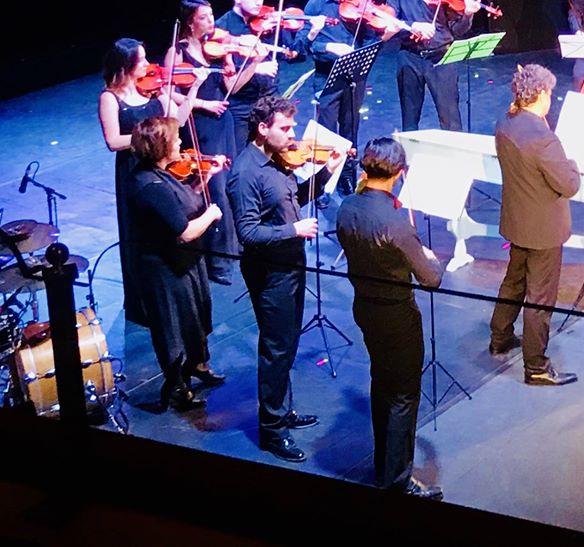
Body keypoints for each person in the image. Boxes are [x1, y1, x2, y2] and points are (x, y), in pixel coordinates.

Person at [227, 95, 344, 462]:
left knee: (288, 344)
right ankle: (272, 430)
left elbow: (293, 199)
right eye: (286, 127)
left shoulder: (278, 161)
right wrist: (293, 230)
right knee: (276, 348)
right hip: (270, 272)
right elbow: (247, 232)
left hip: (290, 265)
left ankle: (283, 410)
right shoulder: (245, 173)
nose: (293, 135)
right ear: (263, 129)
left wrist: (327, 172)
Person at [336, 137, 444, 499]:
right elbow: (431, 279)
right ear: (399, 174)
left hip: (365, 307)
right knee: (402, 396)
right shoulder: (396, 223)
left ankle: (384, 464)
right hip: (396, 315)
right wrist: (430, 258)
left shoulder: (347, 207)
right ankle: (396, 480)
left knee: (381, 384)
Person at [98, 37, 205, 326]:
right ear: (126, 66)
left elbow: (177, 121)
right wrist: (150, 138)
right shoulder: (110, 98)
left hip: (162, 165)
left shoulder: (155, 87)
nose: (149, 64)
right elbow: (113, 141)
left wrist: (193, 88)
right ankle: (143, 303)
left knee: (170, 222)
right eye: (142, 60)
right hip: (134, 168)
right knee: (139, 231)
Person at [489, 64, 579, 386]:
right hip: (543, 230)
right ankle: (536, 367)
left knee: (514, 282)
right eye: (550, 93)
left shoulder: (506, 123)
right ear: (540, 94)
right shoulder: (543, 138)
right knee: (540, 299)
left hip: (518, 221)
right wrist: (572, 164)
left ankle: (500, 337)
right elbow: (569, 185)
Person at [128, 117, 226, 411]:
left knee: (195, 316)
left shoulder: (161, 175)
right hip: (166, 269)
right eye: (176, 138)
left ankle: (197, 366)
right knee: (174, 325)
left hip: (184, 262)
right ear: (161, 146)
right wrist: (211, 215)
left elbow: (180, 204)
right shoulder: (150, 186)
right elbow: (184, 231)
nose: (181, 142)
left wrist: (206, 177)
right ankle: (177, 387)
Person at [163, 0, 254, 284]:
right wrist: (203, 103)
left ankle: (235, 245)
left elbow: (231, 87)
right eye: (204, 17)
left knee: (229, 184)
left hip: (223, 122)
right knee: (213, 188)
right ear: (190, 22)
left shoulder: (216, 47)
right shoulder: (177, 52)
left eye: (212, 15)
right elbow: (168, 92)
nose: (212, 21)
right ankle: (219, 261)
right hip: (199, 124)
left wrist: (238, 60)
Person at [299, 0, 398, 197]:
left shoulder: (360, 4)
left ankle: (347, 178)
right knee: (326, 134)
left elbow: (369, 41)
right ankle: (320, 187)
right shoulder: (316, 5)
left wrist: (384, 36)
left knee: (350, 130)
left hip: (354, 78)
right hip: (327, 78)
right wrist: (330, 48)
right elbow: (307, 45)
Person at [385, 0, 480, 131]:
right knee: (410, 118)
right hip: (410, 56)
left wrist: (467, 15)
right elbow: (389, 21)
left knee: (450, 118)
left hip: (441, 56)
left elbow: (457, 31)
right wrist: (412, 26)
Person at [215, 0, 289, 151]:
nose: (259, 3)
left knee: (276, 151)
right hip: (242, 104)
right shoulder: (222, 29)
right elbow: (229, 77)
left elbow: (292, 52)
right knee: (242, 153)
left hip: (270, 97)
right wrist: (256, 68)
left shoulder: (266, 24)